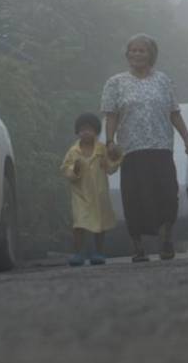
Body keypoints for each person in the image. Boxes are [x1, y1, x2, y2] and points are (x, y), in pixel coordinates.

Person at [102, 34, 188, 263]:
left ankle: (166, 239)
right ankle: (138, 247)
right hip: (132, 150)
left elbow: (174, 113)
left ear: (151, 55)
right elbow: (111, 115)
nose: (136, 54)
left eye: (142, 50)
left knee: (167, 194)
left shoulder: (163, 80)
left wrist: (187, 139)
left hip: (161, 147)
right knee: (134, 198)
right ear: (127, 55)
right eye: (132, 50)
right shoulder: (116, 83)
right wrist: (110, 141)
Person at [60, 112, 120, 267]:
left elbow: (111, 168)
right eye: (82, 129)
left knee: (100, 225)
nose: (86, 132)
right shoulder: (73, 152)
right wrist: (75, 169)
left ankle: (98, 253)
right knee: (79, 224)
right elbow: (65, 169)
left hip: (99, 194)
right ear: (77, 132)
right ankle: (79, 253)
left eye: (90, 129)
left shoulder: (101, 150)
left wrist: (115, 158)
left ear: (96, 131)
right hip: (80, 195)